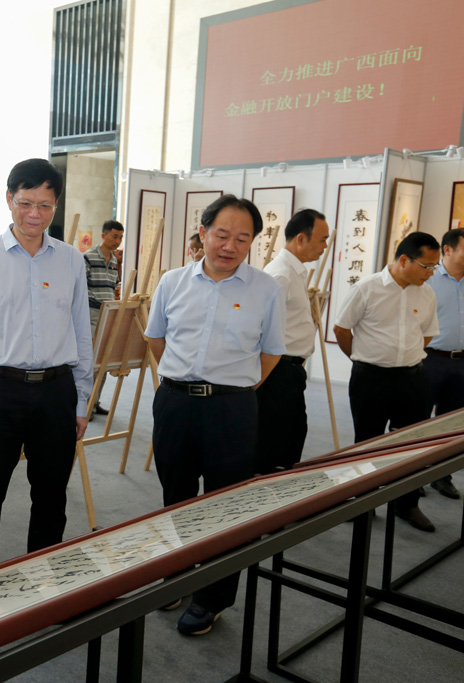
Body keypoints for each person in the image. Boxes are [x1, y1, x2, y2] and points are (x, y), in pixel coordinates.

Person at [146, 194, 285, 636]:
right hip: (175, 403)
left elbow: (271, 353)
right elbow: (157, 340)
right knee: (176, 495)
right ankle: (176, 576)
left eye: (242, 238)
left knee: (226, 505)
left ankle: (212, 597)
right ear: (203, 233)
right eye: (222, 235)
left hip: (232, 409)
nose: (230, 246)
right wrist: (184, 382)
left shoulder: (266, 289)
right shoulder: (172, 282)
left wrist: (233, 389)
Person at [0, 158, 93, 575]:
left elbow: (81, 333)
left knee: (51, 497)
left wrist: (81, 400)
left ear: (56, 206)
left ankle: (44, 586)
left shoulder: (71, 260)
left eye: (45, 205)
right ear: (9, 199)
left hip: (56, 391)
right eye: (26, 203)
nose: (35, 214)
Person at [333, 231, 440, 532]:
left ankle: (407, 504)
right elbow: (342, 329)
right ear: (404, 260)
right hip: (371, 378)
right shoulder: (366, 288)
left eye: (435, 267)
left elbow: (426, 334)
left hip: (412, 378)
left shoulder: (426, 294)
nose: (431, 273)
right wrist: (362, 358)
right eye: (427, 266)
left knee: (410, 444)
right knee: (367, 442)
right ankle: (362, 502)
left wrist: (404, 356)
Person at [256, 209, 330, 472]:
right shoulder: (281, 275)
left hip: (290, 369)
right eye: (322, 239)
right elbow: (263, 330)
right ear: (301, 239)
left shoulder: (294, 271)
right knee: (275, 442)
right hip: (278, 370)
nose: (325, 246)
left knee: (292, 435)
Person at [423, 228, 464, 499]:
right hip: (430, 359)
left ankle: (441, 476)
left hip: (461, 363)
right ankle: (411, 479)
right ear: (447, 250)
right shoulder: (428, 280)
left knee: (451, 424)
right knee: (417, 421)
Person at [84, 220, 123, 416]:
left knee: (104, 360)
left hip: (109, 314)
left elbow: (113, 287)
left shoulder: (114, 260)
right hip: (92, 313)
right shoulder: (88, 256)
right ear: (103, 235)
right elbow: (81, 287)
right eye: (114, 236)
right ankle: (87, 405)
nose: (117, 241)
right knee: (91, 361)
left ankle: (96, 401)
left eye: (120, 237)